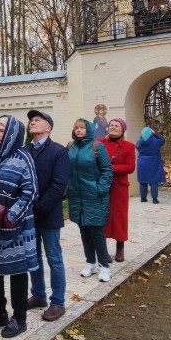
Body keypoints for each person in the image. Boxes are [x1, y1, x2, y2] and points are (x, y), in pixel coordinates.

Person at [0, 114, 37, 339]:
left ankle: (19, 318)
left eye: (2, 130)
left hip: (14, 227)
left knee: (17, 270)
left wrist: (11, 216)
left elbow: (30, 192)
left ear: (13, 132)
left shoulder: (23, 158)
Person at [24, 110, 70, 322]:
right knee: (33, 258)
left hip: (48, 214)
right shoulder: (24, 151)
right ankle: (39, 295)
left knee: (54, 258)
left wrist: (38, 207)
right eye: (31, 120)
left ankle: (58, 302)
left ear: (48, 127)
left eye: (37, 120)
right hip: (28, 216)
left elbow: (59, 185)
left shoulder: (58, 152)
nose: (32, 121)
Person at [67, 119, 114, 281]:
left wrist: (99, 189)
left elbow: (107, 170)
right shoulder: (71, 147)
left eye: (82, 128)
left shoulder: (97, 147)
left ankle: (104, 266)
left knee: (96, 232)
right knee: (84, 231)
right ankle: (90, 263)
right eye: (76, 128)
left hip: (94, 197)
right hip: (77, 197)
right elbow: (66, 170)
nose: (79, 130)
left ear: (88, 130)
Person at [99, 118, 137, 262]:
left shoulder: (128, 146)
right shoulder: (100, 143)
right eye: (111, 125)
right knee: (102, 216)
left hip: (118, 186)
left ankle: (120, 249)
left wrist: (110, 168)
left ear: (122, 130)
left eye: (117, 126)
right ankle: (103, 251)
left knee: (119, 217)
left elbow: (130, 167)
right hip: (102, 185)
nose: (113, 127)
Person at [136, 127, 166, 203]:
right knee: (154, 181)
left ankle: (143, 198)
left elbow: (137, 146)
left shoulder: (139, 142)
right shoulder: (155, 141)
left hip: (142, 162)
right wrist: (155, 134)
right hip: (154, 162)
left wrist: (141, 136)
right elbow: (162, 141)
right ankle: (154, 199)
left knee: (143, 181)